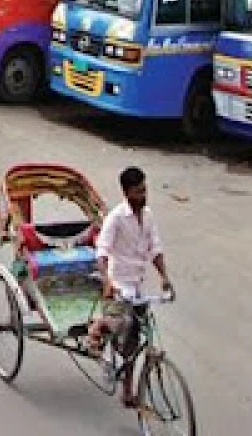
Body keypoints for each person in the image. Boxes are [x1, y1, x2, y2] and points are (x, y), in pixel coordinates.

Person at [86, 167, 174, 409]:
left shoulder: (148, 215)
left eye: (145, 189)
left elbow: (155, 249)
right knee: (120, 323)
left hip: (138, 285)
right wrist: (107, 282)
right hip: (118, 283)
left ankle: (128, 391)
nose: (144, 194)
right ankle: (97, 327)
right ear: (127, 193)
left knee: (135, 341)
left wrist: (165, 277)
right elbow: (102, 252)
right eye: (138, 191)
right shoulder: (116, 218)